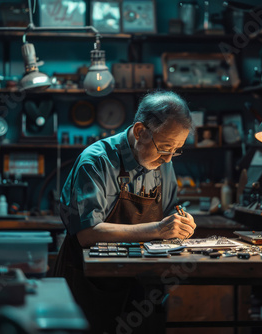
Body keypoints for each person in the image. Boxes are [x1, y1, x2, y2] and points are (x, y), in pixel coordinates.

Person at [53, 90, 196, 333]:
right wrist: (159, 229)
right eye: (165, 148)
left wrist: (180, 221)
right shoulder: (96, 162)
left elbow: (171, 208)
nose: (170, 159)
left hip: (142, 282)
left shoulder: (163, 163)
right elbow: (87, 233)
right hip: (93, 285)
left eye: (177, 149)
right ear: (140, 131)